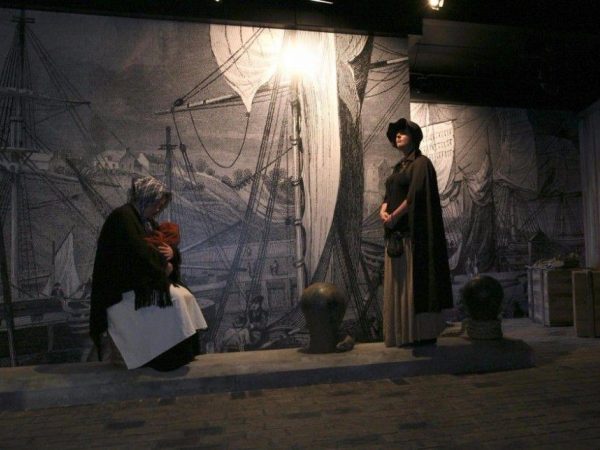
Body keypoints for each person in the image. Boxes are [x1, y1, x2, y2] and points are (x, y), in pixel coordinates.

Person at [89, 176, 207, 371]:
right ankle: (162, 357)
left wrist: (172, 254)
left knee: (184, 295)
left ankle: (178, 354)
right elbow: (138, 254)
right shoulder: (123, 217)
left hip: (138, 282)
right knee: (175, 299)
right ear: (146, 198)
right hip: (120, 291)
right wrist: (164, 266)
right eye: (157, 205)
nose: (159, 209)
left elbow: (158, 247)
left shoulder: (143, 219)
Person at [380, 118, 453, 347]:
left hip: (412, 239)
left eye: (403, 132)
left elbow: (414, 196)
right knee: (400, 285)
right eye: (396, 133)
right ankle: (402, 333)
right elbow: (388, 195)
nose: (398, 135)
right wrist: (383, 211)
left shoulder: (421, 163)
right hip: (395, 236)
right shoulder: (398, 168)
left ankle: (418, 333)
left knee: (413, 284)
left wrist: (394, 216)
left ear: (414, 137)